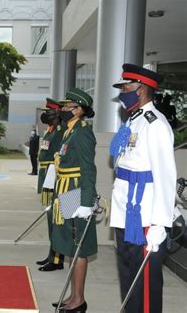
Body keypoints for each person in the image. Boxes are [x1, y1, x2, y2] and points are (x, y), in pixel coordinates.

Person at [110, 64, 175, 313]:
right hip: (126, 210)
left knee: (145, 281)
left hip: (145, 215)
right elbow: (123, 164)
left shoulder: (155, 124)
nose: (122, 92)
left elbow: (165, 177)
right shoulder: (133, 121)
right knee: (129, 275)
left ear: (141, 89)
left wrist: (160, 223)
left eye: (126, 87)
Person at [50, 88, 97, 312]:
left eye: (69, 107)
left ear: (80, 110)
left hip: (76, 192)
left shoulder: (83, 132)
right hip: (67, 190)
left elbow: (89, 168)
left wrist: (87, 203)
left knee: (79, 246)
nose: (64, 110)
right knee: (71, 243)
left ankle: (79, 300)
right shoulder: (71, 130)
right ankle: (73, 296)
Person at [36, 98, 65, 272]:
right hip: (46, 175)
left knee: (56, 219)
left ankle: (57, 258)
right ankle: (51, 254)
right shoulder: (51, 130)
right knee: (50, 220)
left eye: (50, 112)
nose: (46, 115)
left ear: (57, 114)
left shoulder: (60, 132)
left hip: (53, 175)